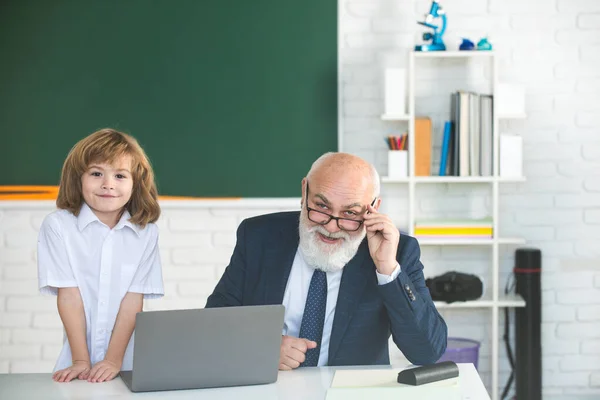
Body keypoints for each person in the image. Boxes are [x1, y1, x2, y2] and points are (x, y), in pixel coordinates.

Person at [206, 152, 447, 370]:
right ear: (304, 192)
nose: (331, 227)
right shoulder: (259, 236)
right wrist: (260, 347)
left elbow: (426, 352)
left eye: (350, 214)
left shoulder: (398, 251)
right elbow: (214, 324)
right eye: (321, 206)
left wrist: (387, 269)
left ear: (374, 208)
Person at [37, 128, 164, 383]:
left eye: (120, 175)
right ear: (78, 178)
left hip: (128, 363)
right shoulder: (58, 227)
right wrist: (81, 361)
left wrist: (113, 360)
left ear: (135, 183)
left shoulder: (146, 234)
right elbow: (69, 297)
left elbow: (132, 301)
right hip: (75, 359)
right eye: (96, 174)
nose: (108, 184)